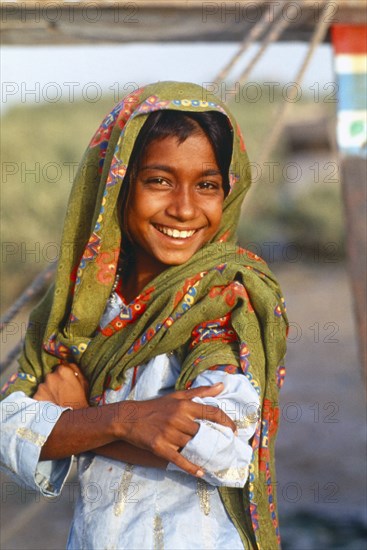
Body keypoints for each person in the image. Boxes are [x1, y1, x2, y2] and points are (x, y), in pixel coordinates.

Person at [0, 81, 288, 549]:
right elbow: (9, 427)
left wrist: (85, 419)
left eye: (208, 185)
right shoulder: (81, 309)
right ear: (117, 184)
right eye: (159, 180)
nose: (184, 208)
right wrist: (127, 422)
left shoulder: (224, 299)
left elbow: (227, 451)